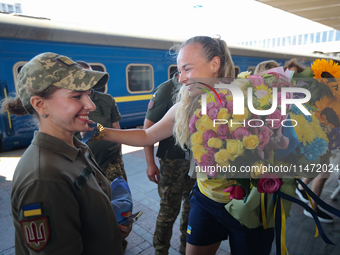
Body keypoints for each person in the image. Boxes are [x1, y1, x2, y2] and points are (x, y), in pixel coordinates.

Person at [85, 36, 277, 255]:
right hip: (207, 202)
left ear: (214, 65)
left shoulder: (252, 101)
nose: (182, 78)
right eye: (179, 70)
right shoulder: (186, 106)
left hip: (249, 205)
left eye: (187, 69)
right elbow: (147, 135)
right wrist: (99, 131)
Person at [1, 52, 131, 254]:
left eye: (88, 94)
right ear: (40, 104)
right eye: (76, 96)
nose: (91, 105)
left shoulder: (75, 147)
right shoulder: (44, 179)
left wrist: (109, 231)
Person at [143, 73, 196, 255]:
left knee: (191, 209)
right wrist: (150, 163)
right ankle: (161, 250)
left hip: (195, 162)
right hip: (173, 162)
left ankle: (185, 248)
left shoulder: (200, 88)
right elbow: (147, 129)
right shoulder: (166, 90)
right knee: (168, 210)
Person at [284, 59, 334, 223]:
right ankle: (312, 208)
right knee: (324, 171)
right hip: (304, 138)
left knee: (323, 170)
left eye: (297, 75)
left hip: (314, 135)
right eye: (289, 74)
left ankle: (302, 189)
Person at [76, 61, 127, 182]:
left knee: (117, 196)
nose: (90, 106)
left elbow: (117, 129)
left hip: (111, 161)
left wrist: (119, 155)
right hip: (83, 165)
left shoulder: (107, 100)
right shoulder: (68, 105)